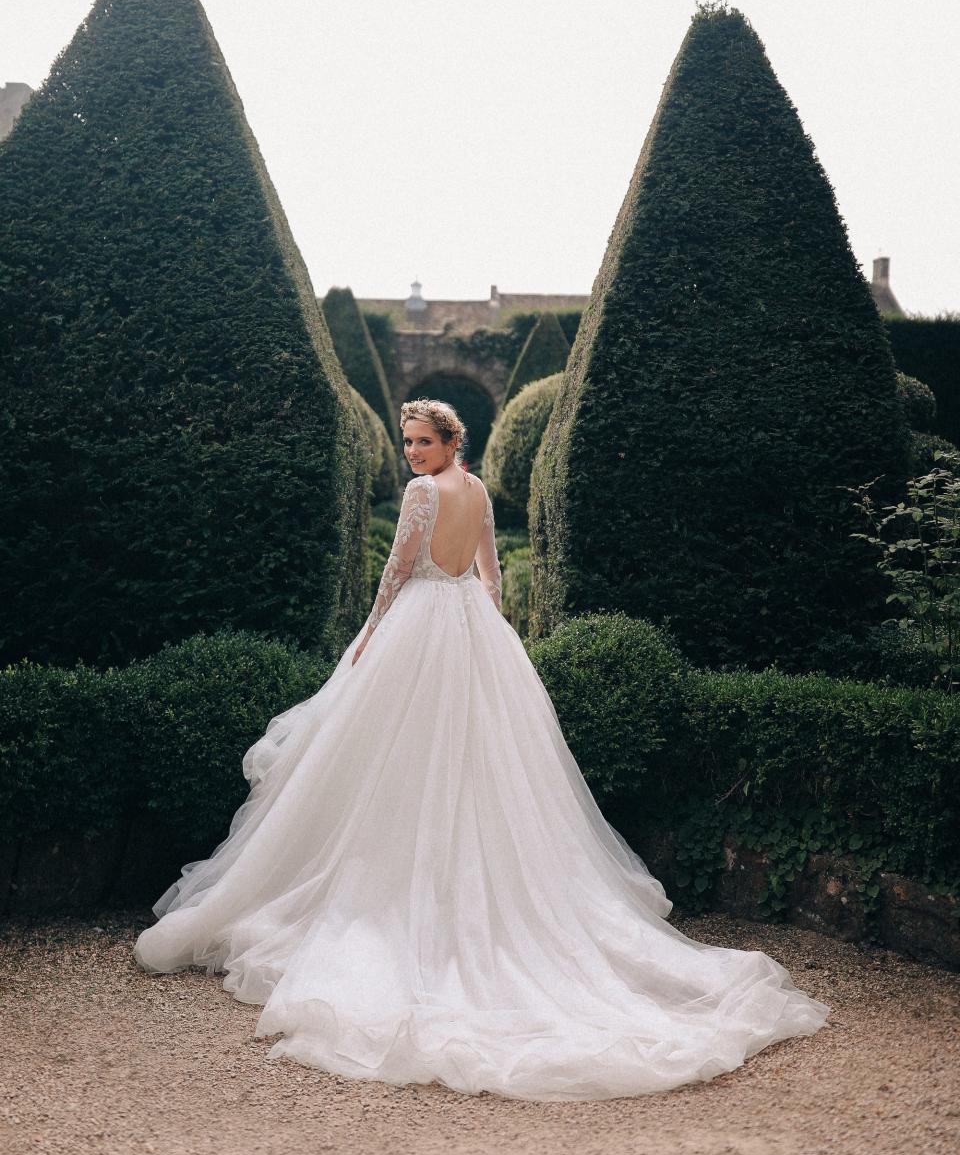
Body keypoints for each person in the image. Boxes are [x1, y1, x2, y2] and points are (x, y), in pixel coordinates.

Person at [133, 396, 829, 1101]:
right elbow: (491, 573)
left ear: (448, 440)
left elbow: (395, 573)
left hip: (418, 629)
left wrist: (372, 637)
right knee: (473, 764)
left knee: (395, 761)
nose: (412, 453)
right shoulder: (478, 491)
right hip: (471, 629)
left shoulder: (420, 495)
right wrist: (487, 632)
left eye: (422, 442)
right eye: (407, 443)